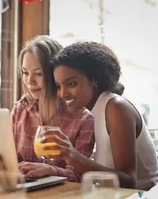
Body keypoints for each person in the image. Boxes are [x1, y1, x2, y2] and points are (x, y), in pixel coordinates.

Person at [41, 41, 158, 190]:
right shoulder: (94, 111)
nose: (62, 93)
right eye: (58, 86)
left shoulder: (116, 107)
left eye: (72, 84)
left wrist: (71, 155)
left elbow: (129, 181)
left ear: (94, 79)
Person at [10, 36, 95, 182]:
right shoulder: (20, 109)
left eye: (39, 73)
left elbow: (80, 176)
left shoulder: (83, 119)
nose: (30, 81)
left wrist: (51, 170)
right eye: (25, 73)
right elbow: (5, 159)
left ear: (54, 75)